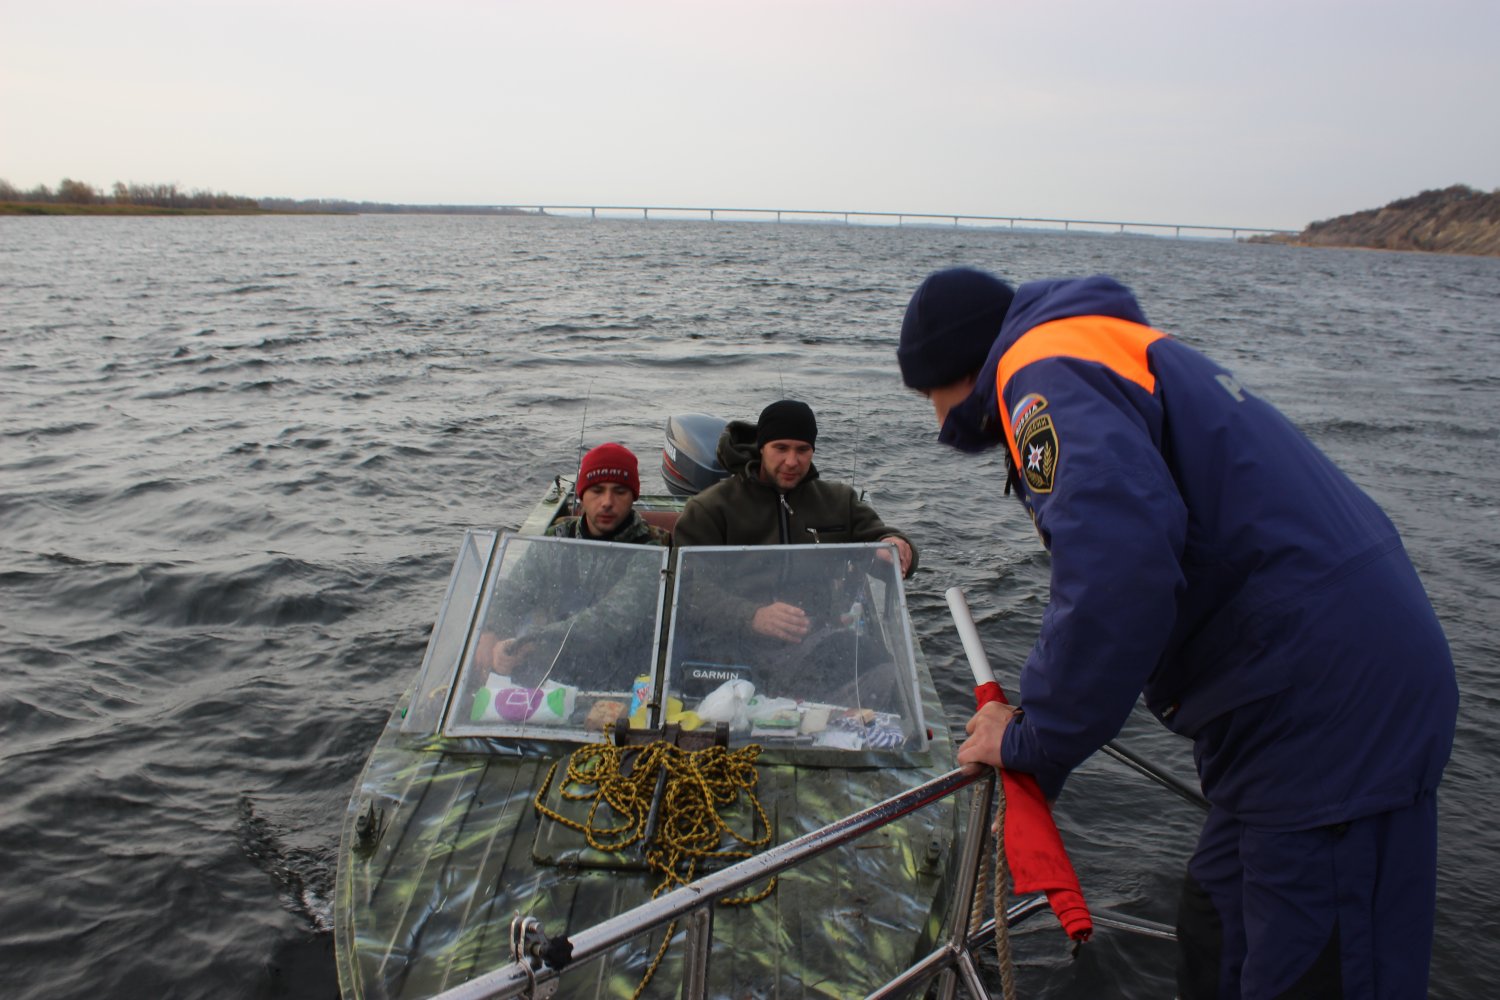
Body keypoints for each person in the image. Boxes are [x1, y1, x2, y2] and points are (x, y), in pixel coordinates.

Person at [896, 266, 1458, 999]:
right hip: (1294, 698)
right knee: (1216, 926)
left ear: (952, 371)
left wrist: (1034, 738)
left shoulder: (1041, 374)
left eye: (927, 399)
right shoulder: (1102, 345)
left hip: (1328, 718)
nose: (935, 420)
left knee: (1317, 970)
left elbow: (1116, 565)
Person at [673, 398, 918, 643]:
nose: (792, 461)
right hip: (732, 643)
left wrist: (896, 547)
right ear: (761, 448)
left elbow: (880, 537)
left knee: (881, 672)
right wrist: (752, 616)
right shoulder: (708, 509)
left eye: (802, 450)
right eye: (781, 448)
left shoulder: (838, 501)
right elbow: (688, 590)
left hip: (819, 641)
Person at [477, 442, 669, 685]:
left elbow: (613, 618)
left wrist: (531, 641)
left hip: (626, 670)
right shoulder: (556, 540)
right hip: (553, 665)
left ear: (633, 496)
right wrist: (491, 631)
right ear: (582, 496)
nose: (607, 501)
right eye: (597, 490)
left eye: (619, 491)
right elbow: (514, 590)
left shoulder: (653, 547)